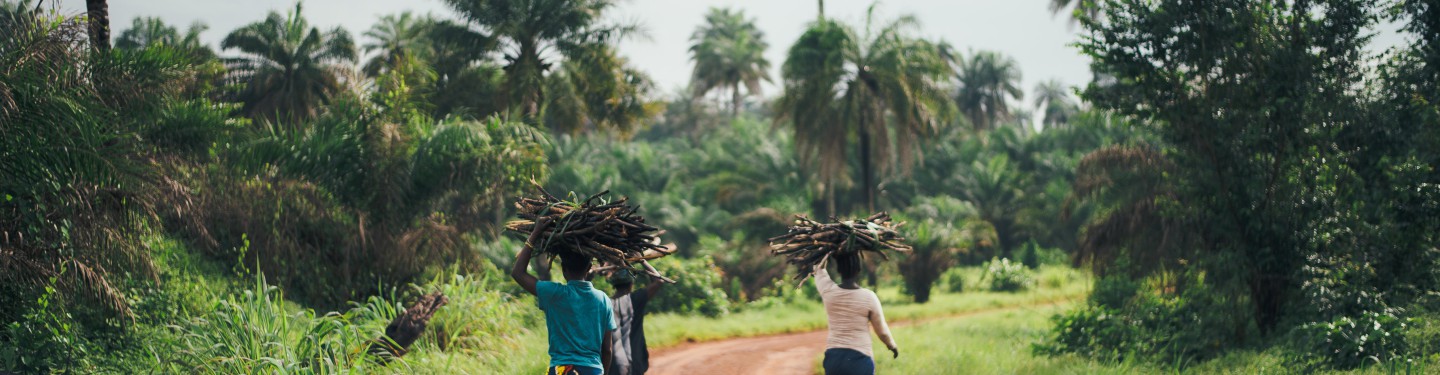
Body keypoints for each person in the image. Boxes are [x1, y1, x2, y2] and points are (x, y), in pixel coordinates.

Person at [512, 218, 616, 375]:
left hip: (562, 370)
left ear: (563, 269)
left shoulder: (553, 294)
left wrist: (535, 233)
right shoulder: (603, 300)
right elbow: (607, 350)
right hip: (593, 370)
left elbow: (518, 273)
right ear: (589, 268)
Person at [814, 253, 898, 375]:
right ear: (859, 270)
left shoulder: (828, 291)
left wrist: (825, 250)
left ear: (838, 270)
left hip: (834, 359)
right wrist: (892, 346)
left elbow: (819, 269)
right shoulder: (869, 297)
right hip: (859, 360)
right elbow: (882, 331)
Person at [605, 269, 664, 375]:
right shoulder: (636, 298)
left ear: (614, 285)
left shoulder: (605, 303)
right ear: (631, 284)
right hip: (634, 362)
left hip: (611, 365)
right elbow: (659, 281)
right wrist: (642, 261)